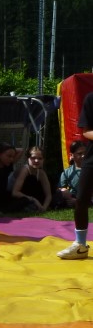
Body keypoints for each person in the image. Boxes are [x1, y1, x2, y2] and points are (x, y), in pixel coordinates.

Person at [57, 91, 93, 259]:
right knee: (81, 199)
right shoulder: (91, 98)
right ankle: (80, 244)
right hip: (92, 158)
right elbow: (86, 131)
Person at [10, 146, 51, 212]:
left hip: (29, 196)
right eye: (33, 158)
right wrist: (34, 200)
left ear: (43, 160)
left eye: (40, 158)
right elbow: (15, 193)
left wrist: (44, 207)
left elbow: (48, 195)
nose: (36, 161)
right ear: (28, 159)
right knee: (31, 179)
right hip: (14, 197)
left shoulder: (41, 173)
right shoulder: (25, 170)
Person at [54, 139, 85, 209]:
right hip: (73, 197)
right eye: (80, 154)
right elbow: (60, 188)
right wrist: (65, 192)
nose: (83, 156)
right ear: (71, 155)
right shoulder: (67, 172)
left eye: (85, 153)